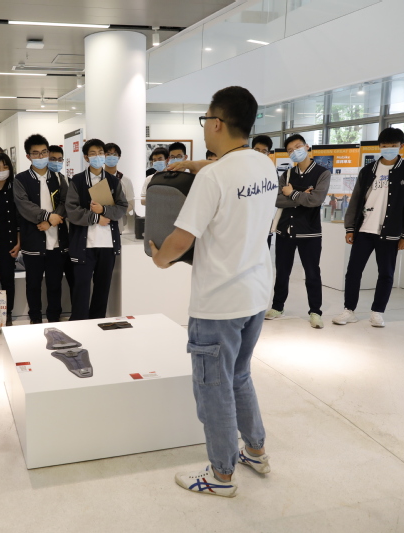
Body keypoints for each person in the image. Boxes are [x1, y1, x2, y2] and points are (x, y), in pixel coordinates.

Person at [150, 86, 276, 498]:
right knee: (239, 375)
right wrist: (194, 164)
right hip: (255, 294)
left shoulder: (214, 178)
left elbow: (180, 239)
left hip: (218, 302)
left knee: (213, 390)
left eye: (206, 119)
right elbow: (229, 170)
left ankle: (222, 475)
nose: (205, 126)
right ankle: (255, 450)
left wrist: (160, 259)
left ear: (217, 123)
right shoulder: (264, 164)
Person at [333, 127, 404, 328]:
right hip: (364, 230)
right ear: (379, 146)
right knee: (353, 271)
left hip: (390, 233)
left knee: (386, 274)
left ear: (401, 146)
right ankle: (349, 310)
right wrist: (349, 228)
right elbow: (355, 200)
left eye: (393, 146)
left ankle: (377, 312)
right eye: (384, 146)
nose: (388, 149)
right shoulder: (368, 170)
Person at [265, 133, 330, 329]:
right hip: (285, 231)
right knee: (282, 272)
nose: (295, 152)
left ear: (307, 146)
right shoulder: (287, 174)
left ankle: (315, 312)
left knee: (312, 273)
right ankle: (277, 307)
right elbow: (276, 199)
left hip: (310, 233)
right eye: (290, 150)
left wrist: (292, 193)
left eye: (297, 147)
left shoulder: (322, 173)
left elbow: (315, 200)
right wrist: (302, 196)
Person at [66, 139, 128, 321]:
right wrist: (95, 218)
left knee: (103, 287)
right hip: (84, 245)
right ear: (86, 157)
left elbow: (122, 207)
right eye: (93, 154)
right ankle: (79, 323)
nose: (98, 156)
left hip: (107, 244)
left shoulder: (113, 181)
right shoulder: (77, 180)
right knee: (81, 287)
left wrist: (104, 210)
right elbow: (71, 210)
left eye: (101, 153)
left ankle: (98, 322)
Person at [13, 134, 69, 324]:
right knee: (33, 284)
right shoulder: (21, 179)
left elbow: (65, 202)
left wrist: (51, 221)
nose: (41, 156)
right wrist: (46, 216)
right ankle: (35, 319)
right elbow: (24, 205)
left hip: (56, 241)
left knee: (55, 283)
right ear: (28, 156)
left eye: (44, 152)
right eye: (36, 153)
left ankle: (54, 317)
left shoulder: (58, 178)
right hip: (33, 241)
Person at [0, 153, 20, 326]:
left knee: (8, 280)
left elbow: (19, 217)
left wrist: (19, 242)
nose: (1, 170)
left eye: (5, 167)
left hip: (9, 242)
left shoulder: (15, 188)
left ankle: (7, 314)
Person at [48, 145, 75, 295]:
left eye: (60, 159)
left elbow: (70, 205)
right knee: (54, 284)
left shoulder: (68, 181)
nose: (57, 162)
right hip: (50, 241)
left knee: (75, 282)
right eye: (53, 159)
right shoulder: (41, 184)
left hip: (69, 239)